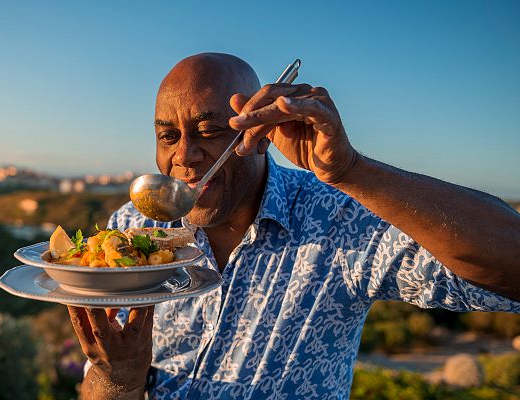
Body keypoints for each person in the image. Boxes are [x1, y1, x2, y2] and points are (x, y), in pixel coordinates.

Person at [66, 53, 520, 399]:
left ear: (259, 135)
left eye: (209, 131)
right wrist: (116, 378)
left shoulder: (338, 218)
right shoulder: (133, 230)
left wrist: (351, 170)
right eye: (168, 136)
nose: (184, 156)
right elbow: (104, 382)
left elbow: (512, 267)